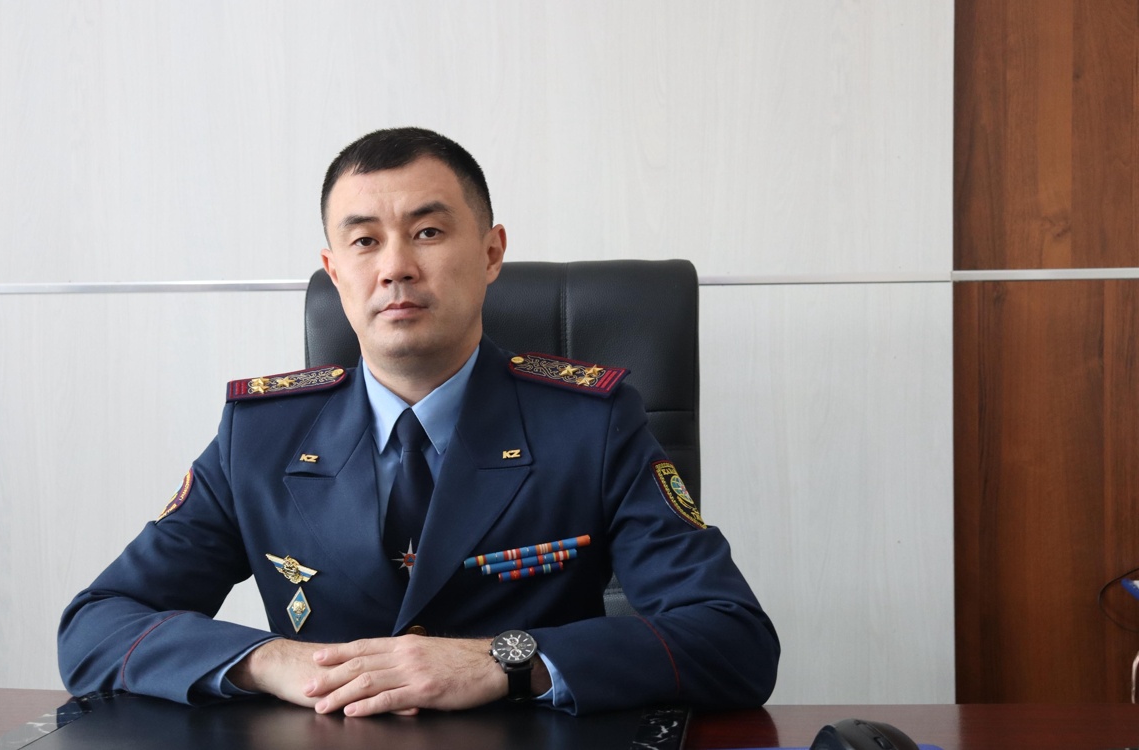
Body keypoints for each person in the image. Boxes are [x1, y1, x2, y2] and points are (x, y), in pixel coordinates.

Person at [58, 127, 779, 716]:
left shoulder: (591, 425)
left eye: (428, 231)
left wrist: (503, 661)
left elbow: (733, 640)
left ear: (491, 253)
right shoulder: (262, 435)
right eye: (364, 241)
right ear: (334, 270)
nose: (396, 267)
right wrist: (270, 660)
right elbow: (96, 625)